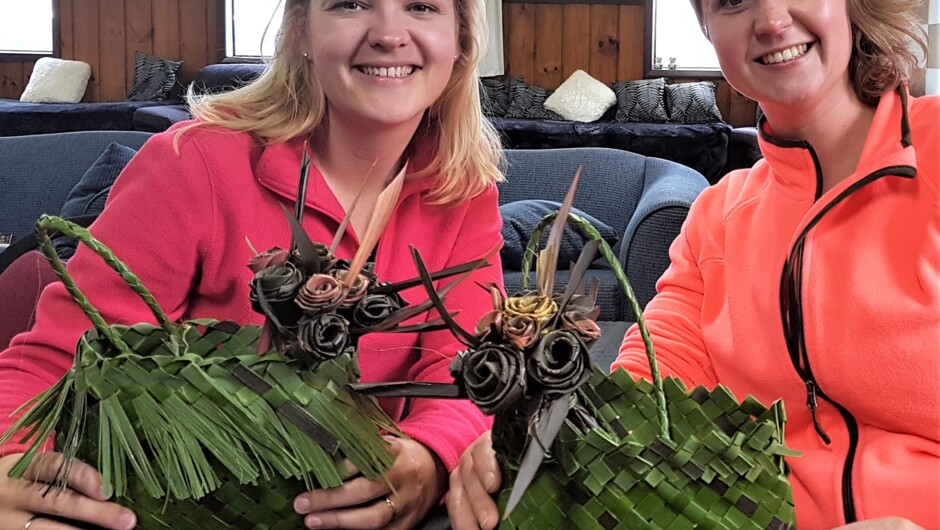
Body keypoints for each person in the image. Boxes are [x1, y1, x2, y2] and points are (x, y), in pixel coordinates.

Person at [0, 0, 505, 528]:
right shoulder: (193, 163)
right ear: (302, 32)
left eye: (421, 7)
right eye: (351, 4)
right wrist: (7, 460)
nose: (388, 34)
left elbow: (467, 375)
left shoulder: (464, 191)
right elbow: (55, 363)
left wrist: (430, 455)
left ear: (461, 43)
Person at [447, 0, 938, 528]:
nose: (772, 21)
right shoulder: (716, 215)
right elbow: (649, 387)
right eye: (731, 0)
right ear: (708, 28)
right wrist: (542, 438)